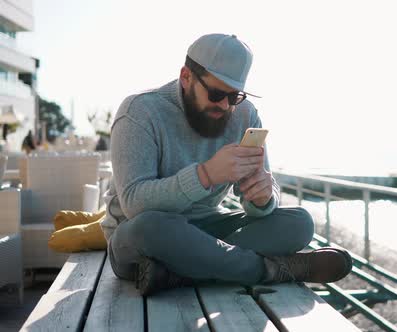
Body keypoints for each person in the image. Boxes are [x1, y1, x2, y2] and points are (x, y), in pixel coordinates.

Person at [101, 33, 352, 296]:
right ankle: (272, 270)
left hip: (208, 230)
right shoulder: (140, 111)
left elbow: (259, 207)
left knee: (299, 222)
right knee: (150, 227)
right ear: (186, 77)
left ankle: (177, 274)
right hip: (142, 238)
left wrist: (263, 198)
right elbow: (133, 205)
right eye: (216, 93)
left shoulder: (246, 114)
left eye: (234, 97)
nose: (224, 105)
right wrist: (206, 175)